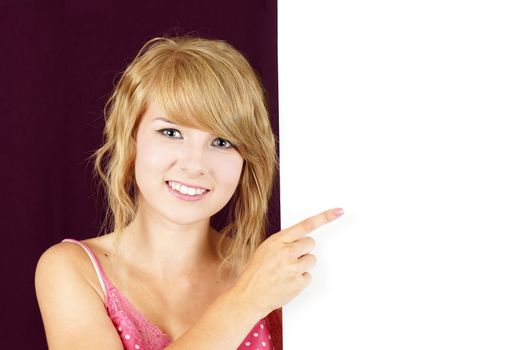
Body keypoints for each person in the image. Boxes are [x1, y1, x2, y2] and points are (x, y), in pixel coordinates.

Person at [34, 35, 344, 350]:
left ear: (246, 158)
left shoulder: (274, 271)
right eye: (171, 132)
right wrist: (247, 301)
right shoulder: (72, 269)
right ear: (131, 141)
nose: (195, 164)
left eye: (222, 142)